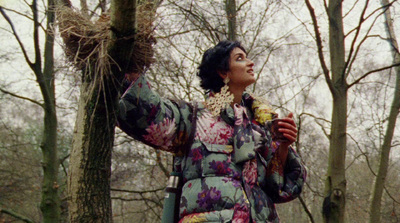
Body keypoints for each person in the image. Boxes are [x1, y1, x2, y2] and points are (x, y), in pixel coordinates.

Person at [118, 40, 306, 222]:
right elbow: (148, 114)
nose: (250, 63)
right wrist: (129, 66)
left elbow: (278, 189)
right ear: (223, 71)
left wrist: (284, 146)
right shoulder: (192, 117)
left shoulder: (260, 126)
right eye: (240, 58)